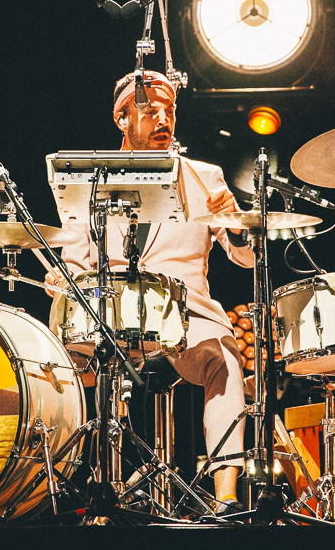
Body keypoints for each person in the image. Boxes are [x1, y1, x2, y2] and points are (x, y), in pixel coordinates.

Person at [45, 69, 253, 513]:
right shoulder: (88, 177)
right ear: (122, 119)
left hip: (184, 313)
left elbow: (245, 256)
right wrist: (63, 280)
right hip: (107, 311)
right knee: (53, 367)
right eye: (151, 110)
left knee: (225, 360)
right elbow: (79, 260)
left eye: (171, 111)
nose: (165, 119)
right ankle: (56, 486)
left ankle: (227, 499)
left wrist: (234, 222)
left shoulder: (203, 176)